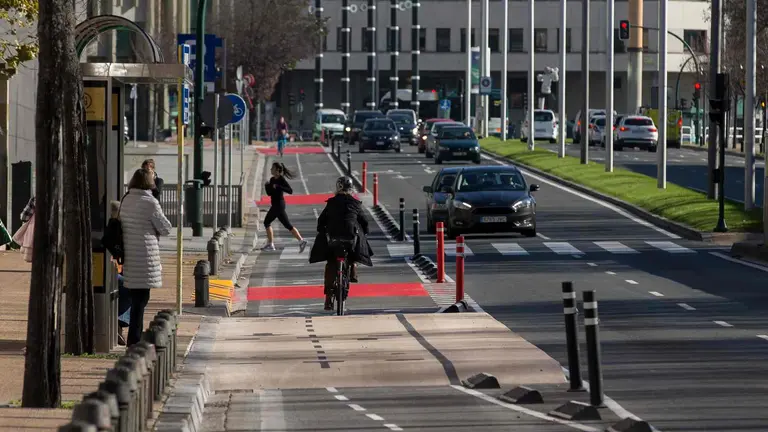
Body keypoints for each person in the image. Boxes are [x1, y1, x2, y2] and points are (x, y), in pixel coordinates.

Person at [120, 168, 172, 346]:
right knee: (141, 301)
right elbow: (166, 228)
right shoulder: (150, 202)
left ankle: (133, 336)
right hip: (146, 257)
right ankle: (134, 339)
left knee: (136, 299)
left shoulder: (126, 199)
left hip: (130, 255)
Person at [309, 176, 373, 311]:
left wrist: (322, 230)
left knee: (331, 263)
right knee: (357, 241)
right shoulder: (355, 203)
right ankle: (353, 266)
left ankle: (328, 299)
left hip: (333, 240)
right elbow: (365, 222)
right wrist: (365, 232)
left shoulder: (331, 203)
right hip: (350, 240)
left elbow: (321, 222)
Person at [261, 162, 308, 252]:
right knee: (287, 225)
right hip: (276, 205)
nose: (271, 169)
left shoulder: (281, 179)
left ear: (277, 170)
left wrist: (278, 186)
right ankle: (301, 241)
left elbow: (290, 190)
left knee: (267, 222)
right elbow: (270, 193)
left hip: (279, 205)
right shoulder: (272, 179)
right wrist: (267, 186)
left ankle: (270, 244)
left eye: (272, 168)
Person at [109, 200, 131, 346]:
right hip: (108, 276)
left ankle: (119, 323)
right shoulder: (110, 233)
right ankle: (119, 322)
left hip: (113, 273)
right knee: (128, 286)